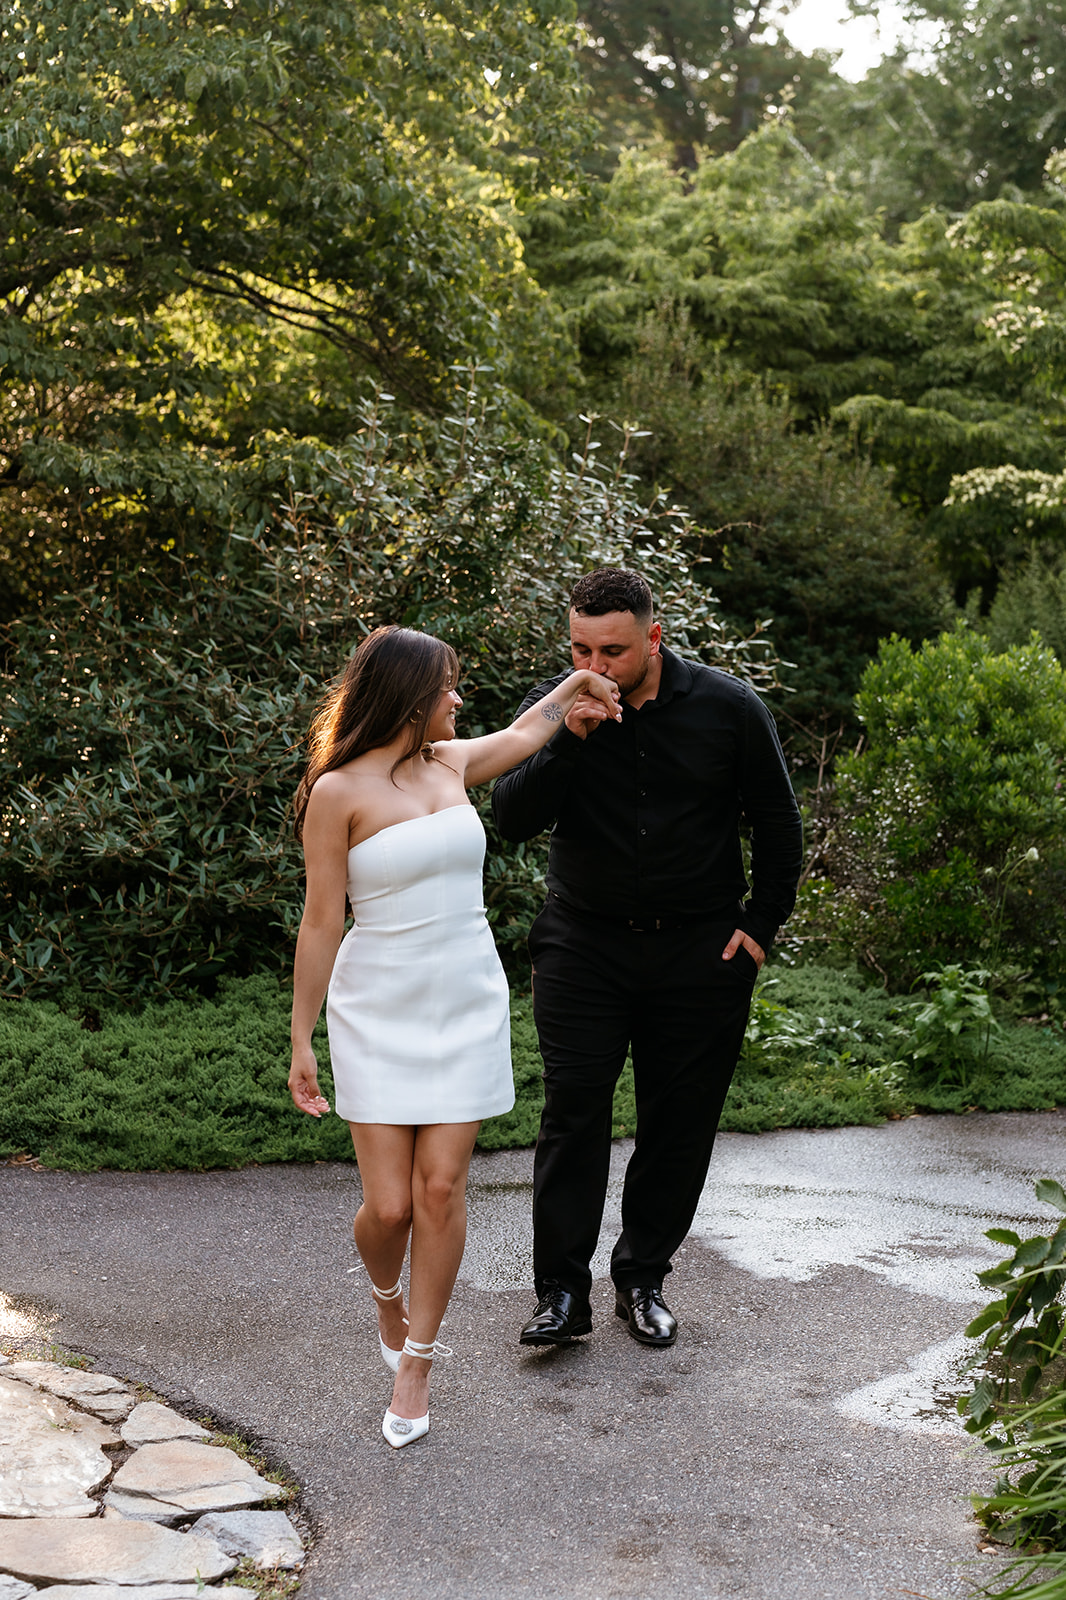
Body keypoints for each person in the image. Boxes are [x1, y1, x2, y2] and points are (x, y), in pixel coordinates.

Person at [287, 624, 621, 1447]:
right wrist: (302, 1037)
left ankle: (419, 1363)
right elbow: (322, 923)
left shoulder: (451, 763)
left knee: (441, 1190)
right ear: (407, 696)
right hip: (375, 1007)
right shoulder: (338, 795)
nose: (458, 701)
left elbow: (526, 731)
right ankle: (386, 1296)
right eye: (448, 687)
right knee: (390, 1208)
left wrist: (577, 684)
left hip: (465, 995)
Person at [492, 569, 803, 1350]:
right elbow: (511, 816)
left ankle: (642, 1281)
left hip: (699, 950)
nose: (596, 665)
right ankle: (561, 1294)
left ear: (654, 638)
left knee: (678, 1120)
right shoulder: (559, 702)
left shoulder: (729, 709)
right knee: (573, 1111)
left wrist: (759, 927)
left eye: (614, 650)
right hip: (582, 942)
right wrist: (571, 735)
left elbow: (779, 824)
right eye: (581, 648)